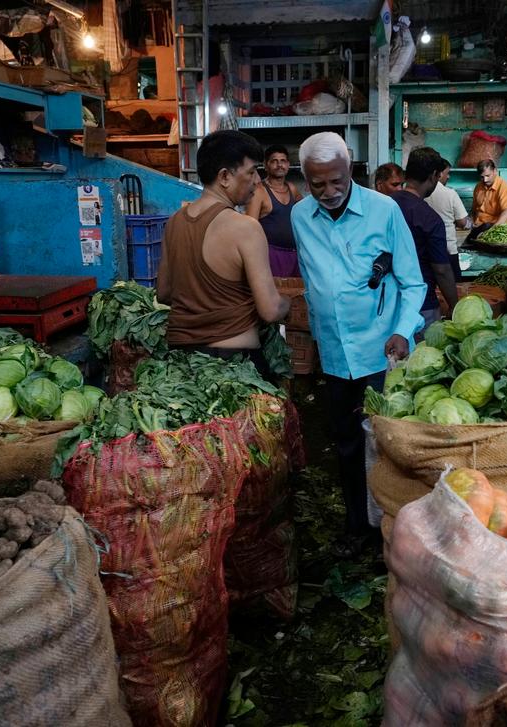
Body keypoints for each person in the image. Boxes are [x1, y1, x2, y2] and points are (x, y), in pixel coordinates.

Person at [291, 131, 426, 556]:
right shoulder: (299, 217)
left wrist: (403, 329)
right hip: (334, 354)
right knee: (346, 443)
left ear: (351, 171)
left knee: (385, 445)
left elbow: (413, 281)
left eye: (337, 181)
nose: (328, 192)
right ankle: (357, 527)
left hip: (380, 352)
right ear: (306, 179)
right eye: (318, 184)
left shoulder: (384, 210)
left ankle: (395, 530)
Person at [157, 129, 290, 378]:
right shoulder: (245, 227)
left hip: (182, 366)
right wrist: (289, 303)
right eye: (251, 172)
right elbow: (270, 310)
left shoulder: (174, 221)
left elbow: (164, 293)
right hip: (235, 367)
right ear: (225, 177)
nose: (257, 181)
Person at [391, 146, 460, 327]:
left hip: (384, 302)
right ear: (433, 176)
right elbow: (441, 270)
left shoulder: (385, 205)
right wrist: (454, 305)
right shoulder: (430, 219)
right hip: (421, 306)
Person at [245, 144, 303, 277]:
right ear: (265, 165)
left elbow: (307, 213)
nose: (279, 165)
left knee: (296, 294)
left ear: (288, 164)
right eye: (274, 161)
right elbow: (249, 228)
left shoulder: (292, 189)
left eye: (283, 161)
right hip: (270, 255)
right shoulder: (259, 191)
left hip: (295, 255)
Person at [426, 158, 472, 280]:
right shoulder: (450, 193)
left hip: (425, 251)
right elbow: (463, 222)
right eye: (447, 173)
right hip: (448, 250)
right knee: (453, 284)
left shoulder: (422, 192)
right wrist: (470, 224)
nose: (448, 177)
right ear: (439, 174)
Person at [471, 158, 507, 228]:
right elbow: (474, 209)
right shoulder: (478, 187)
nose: (485, 180)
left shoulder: (504, 187)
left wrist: (493, 230)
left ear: (495, 171)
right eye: (482, 177)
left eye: (488, 176)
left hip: (498, 227)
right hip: (480, 225)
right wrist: (472, 223)